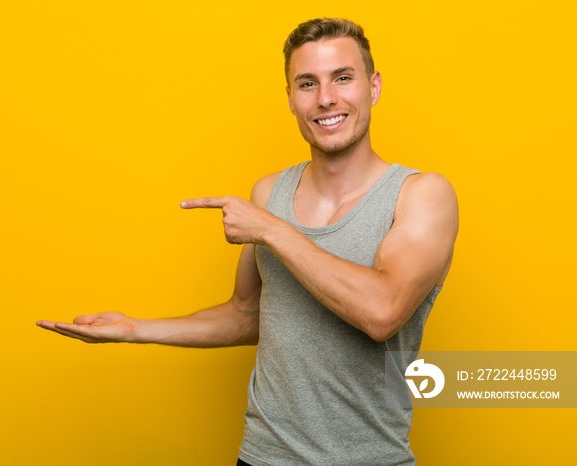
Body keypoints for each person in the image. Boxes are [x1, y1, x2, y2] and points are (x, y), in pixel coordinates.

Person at [37, 17, 459, 466]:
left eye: (342, 77)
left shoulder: (420, 194)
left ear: (373, 87)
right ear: (292, 100)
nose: (326, 98)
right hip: (262, 457)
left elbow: (382, 312)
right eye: (306, 84)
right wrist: (137, 329)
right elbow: (248, 315)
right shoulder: (269, 194)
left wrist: (273, 230)